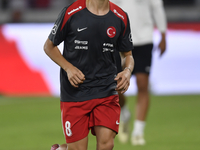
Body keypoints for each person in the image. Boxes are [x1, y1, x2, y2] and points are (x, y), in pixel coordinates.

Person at [43, 0, 134, 150]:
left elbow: (127, 54)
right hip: (75, 92)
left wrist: (127, 71)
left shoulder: (120, 17)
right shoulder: (71, 12)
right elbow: (49, 46)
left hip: (106, 90)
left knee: (107, 144)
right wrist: (69, 68)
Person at [113, 0, 167, 145]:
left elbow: (157, 8)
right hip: (118, 41)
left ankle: (138, 132)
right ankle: (124, 114)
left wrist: (163, 34)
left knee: (143, 84)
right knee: (117, 87)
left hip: (144, 40)